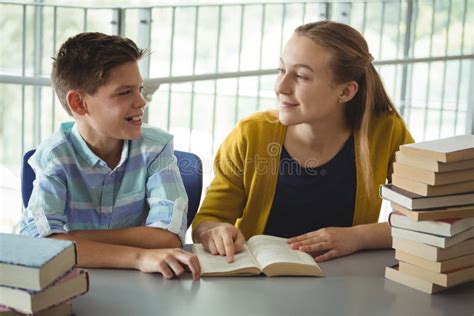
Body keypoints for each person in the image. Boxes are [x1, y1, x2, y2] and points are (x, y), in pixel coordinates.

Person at [192, 21, 414, 263]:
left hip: (346, 284)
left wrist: (359, 236)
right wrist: (214, 231)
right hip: (258, 285)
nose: (281, 87)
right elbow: (207, 221)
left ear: (346, 92)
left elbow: (425, 222)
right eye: (281, 70)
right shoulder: (250, 135)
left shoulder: (387, 132)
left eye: (301, 76)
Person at [20, 32, 200, 280]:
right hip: (74, 286)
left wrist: (70, 241)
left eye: (140, 89)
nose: (141, 101)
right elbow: (40, 246)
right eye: (125, 92)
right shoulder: (54, 157)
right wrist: (138, 256)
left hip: (143, 288)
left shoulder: (157, 147)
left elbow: (167, 236)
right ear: (79, 103)